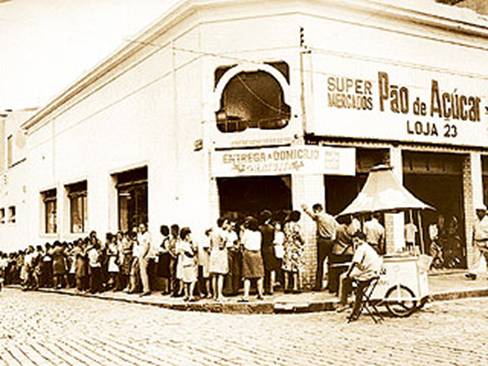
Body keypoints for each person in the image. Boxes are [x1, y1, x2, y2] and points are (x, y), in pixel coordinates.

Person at [336, 231, 383, 315]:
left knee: (343, 278)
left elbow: (355, 263)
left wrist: (348, 274)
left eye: (356, 240)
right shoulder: (368, 247)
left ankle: (343, 303)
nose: (356, 242)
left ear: (361, 240)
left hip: (367, 274)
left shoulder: (361, 248)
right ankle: (354, 309)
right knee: (356, 287)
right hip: (372, 273)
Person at [302, 203, 337, 291]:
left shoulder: (320, 216)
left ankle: (318, 285)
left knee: (320, 263)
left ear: (317, 210)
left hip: (322, 241)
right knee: (331, 263)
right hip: (331, 241)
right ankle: (332, 285)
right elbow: (337, 227)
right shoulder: (331, 217)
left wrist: (306, 209)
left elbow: (313, 216)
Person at [240, 217, 265, 302]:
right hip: (257, 253)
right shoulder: (259, 233)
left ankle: (246, 295)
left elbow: (242, 243)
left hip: (248, 253)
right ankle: (260, 293)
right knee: (259, 275)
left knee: (247, 275)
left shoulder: (246, 232)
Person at [329, 216, 354, 294]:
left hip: (338, 251)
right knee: (348, 271)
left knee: (338, 272)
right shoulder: (352, 228)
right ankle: (348, 290)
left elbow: (333, 239)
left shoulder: (337, 228)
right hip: (349, 251)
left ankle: (338, 290)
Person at [282, 211, 305, 293]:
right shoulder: (296, 226)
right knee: (295, 268)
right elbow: (300, 237)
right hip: (295, 247)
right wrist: (303, 241)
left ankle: (286, 286)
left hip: (287, 247)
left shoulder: (286, 225)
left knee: (287, 267)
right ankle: (295, 286)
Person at [259, 210, 279, 295]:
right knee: (270, 270)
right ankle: (270, 288)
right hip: (270, 249)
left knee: (262, 270)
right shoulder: (271, 228)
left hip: (262, 249)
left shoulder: (259, 228)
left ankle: (262, 289)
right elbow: (273, 239)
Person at [465, 205, 488, 280]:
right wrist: (472, 241)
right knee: (475, 258)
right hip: (477, 241)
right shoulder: (475, 221)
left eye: (480, 211)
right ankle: (473, 273)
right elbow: (474, 231)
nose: (478, 213)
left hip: (486, 241)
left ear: (484, 212)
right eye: (477, 211)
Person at [209, 218, 228, 301]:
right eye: (226, 223)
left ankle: (215, 295)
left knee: (214, 275)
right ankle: (220, 295)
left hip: (213, 253)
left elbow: (210, 245)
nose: (226, 225)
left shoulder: (212, 232)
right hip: (220, 253)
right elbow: (222, 244)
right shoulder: (222, 232)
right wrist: (224, 243)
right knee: (220, 275)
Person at [178, 227, 198, 302]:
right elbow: (191, 253)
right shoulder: (185, 245)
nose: (189, 236)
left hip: (184, 263)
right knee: (192, 280)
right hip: (189, 263)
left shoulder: (182, 244)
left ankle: (186, 295)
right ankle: (190, 295)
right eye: (188, 235)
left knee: (186, 280)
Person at [224, 219, 240, 296]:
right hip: (228, 251)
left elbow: (236, 241)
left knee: (236, 270)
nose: (232, 227)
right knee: (229, 271)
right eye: (231, 226)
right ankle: (229, 289)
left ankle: (235, 289)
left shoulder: (234, 233)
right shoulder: (224, 233)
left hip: (235, 252)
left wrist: (237, 246)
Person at [137, 223, 152, 297]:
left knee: (144, 272)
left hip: (145, 255)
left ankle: (146, 289)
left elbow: (147, 245)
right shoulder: (139, 235)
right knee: (141, 272)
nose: (141, 229)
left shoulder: (147, 235)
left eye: (142, 227)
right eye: (140, 227)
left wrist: (144, 255)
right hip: (140, 254)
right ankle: (144, 287)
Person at [158, 225, 172, 295]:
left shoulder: (166, 240)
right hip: (165, 257)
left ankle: (167, 289)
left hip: (165, 257)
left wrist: (161, 251)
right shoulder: (167, 239)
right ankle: (167, 288)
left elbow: (167, 250)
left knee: (166, 274)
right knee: (166, 274)